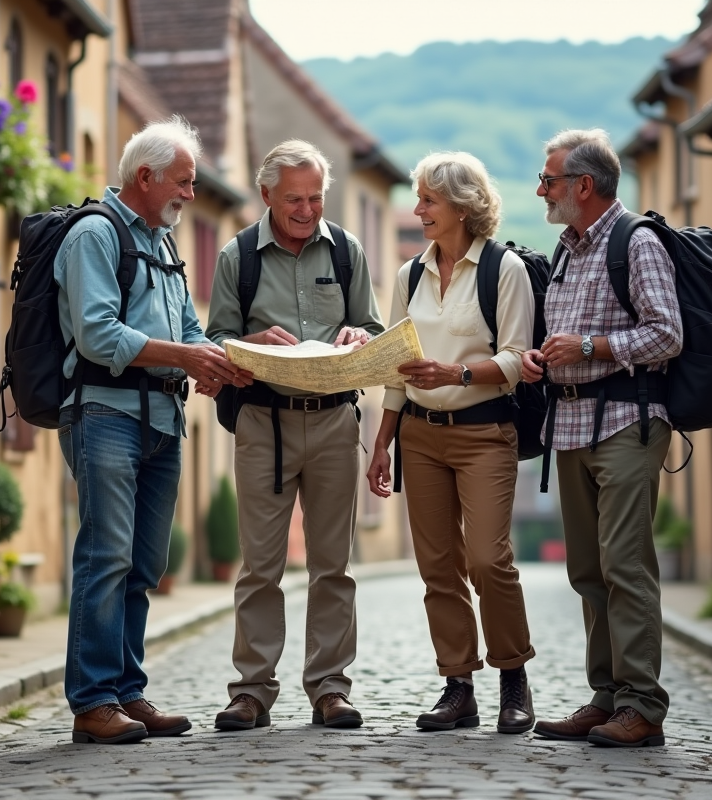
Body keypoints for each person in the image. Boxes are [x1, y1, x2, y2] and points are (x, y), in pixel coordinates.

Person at [56, 115, 251, 745]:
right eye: (184, 182)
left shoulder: (164, 243)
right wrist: (184, 357)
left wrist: (221, 358)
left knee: (144, 563)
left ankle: (127, 692)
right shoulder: (95, 235)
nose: (192, 194)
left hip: (164, 420)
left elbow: (187, 329)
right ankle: (92, 703)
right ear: (146, 177)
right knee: (106, 556)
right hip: (106, 414)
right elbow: (97, 333)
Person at [206, 140, 385, 731]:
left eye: (315, 197)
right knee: (261, 565)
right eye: (293, 200)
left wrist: (360, 337)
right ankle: (251, 690)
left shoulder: (348, 251)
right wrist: (255, 343)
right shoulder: (238, 257)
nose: (307, 210)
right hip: (263, 423)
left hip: (335, 419)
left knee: (333, 564)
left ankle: (331, 688)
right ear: (265, 196)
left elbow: (372, 326)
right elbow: (217, 342)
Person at [366, 151, 538, 734]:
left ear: (462, 207)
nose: (418, 210)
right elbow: (395, 368)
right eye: (418, 199)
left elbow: (518, 358)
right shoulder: (408, 275)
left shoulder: (503, 270)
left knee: (489, 560)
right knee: (437, 566)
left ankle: (513, 678)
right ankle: (457, 687)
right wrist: (383, 442)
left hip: (486, 432)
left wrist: (458, 374)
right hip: (419, 436)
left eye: (428, 201)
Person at [522, 129, 682, 748]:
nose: (542, 190)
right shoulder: (566, 248)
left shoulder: (635, 242)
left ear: (583, 186)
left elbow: (666, 334)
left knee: (625, 565)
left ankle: (643, 705)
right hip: (568, 425)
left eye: (550, 180)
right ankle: (609, 695)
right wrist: (546, 356)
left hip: (626, 423)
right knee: (588, 570)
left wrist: (591, 347)